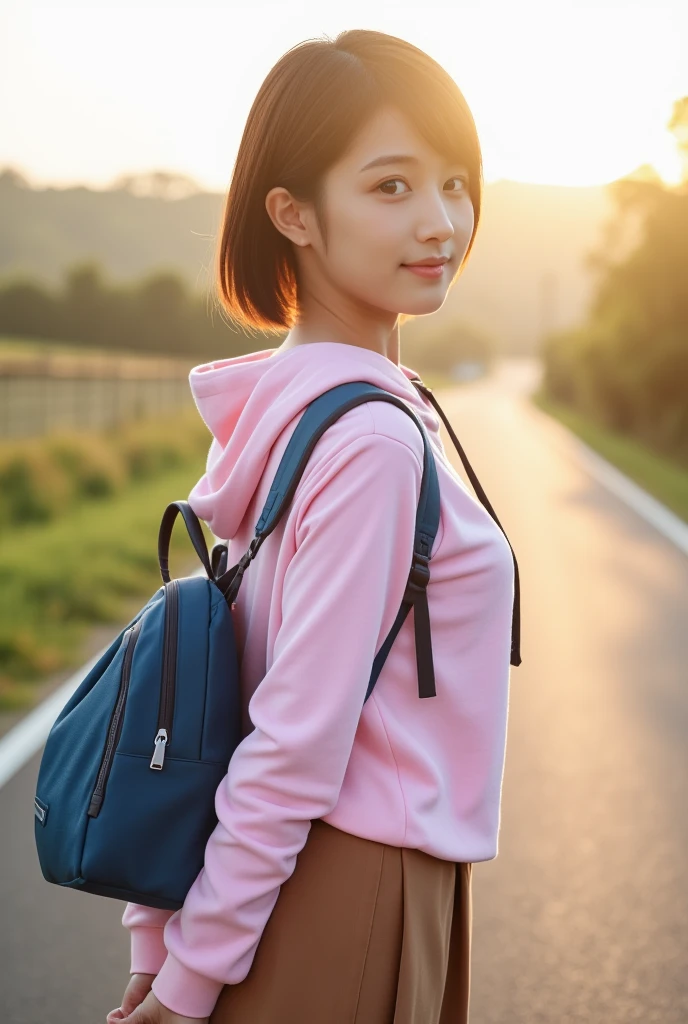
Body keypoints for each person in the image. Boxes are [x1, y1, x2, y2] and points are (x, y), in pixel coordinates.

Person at [107, 26, 517, 1024]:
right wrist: (190, 971)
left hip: (273, 888)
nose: (440, 221)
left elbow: (214, 704)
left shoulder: (279, 411)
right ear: (290, 211)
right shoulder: (371, 439)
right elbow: (293, 735)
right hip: (357, 888)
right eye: (390, 187)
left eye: (454, 181)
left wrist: (163, 940)